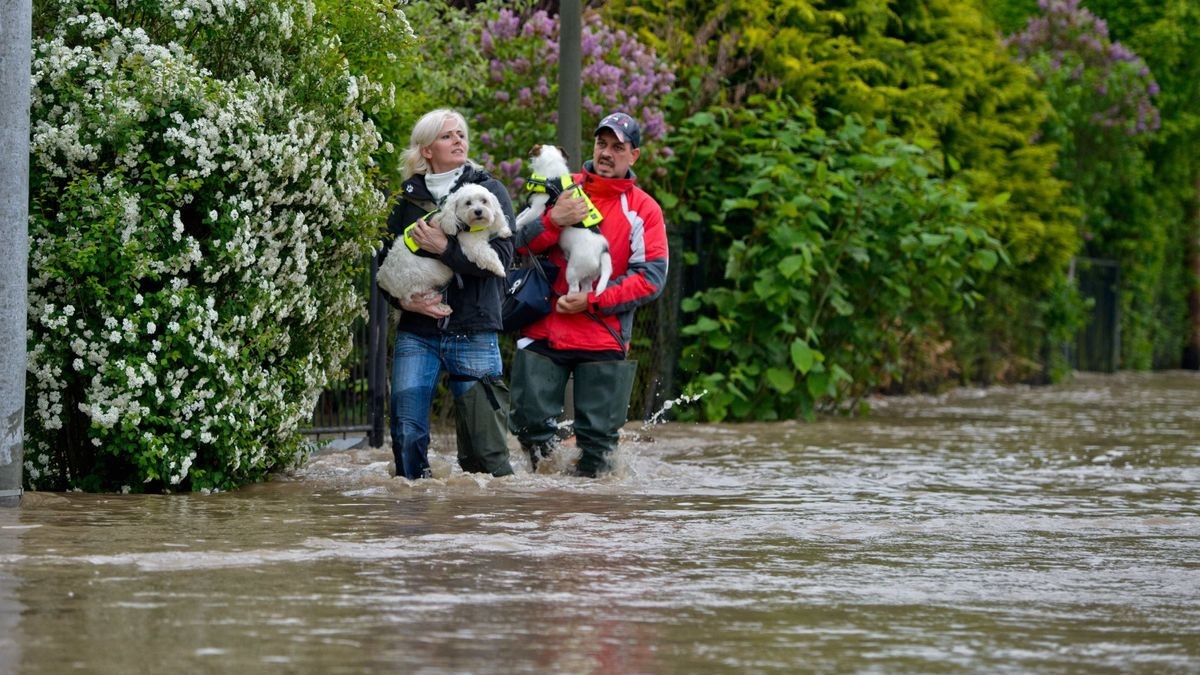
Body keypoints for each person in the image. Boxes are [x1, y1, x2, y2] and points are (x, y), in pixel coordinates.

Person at [509, 111, 669, 477]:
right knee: (531, 433)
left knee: (598, 453)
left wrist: (593, 300)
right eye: (602, 143)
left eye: (618, 146)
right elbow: (517, 245)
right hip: (543, 329)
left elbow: (651, 278)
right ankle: (545, 519)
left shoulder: (645, 209)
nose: (607, 153)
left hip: (603, 335)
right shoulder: (559, 187)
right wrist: (554, 220)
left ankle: (589, 524)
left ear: (634, 155)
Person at [380, 109, 515, 479]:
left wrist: (445, 248)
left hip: (473, 325)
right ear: (426, 149)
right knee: (406, 434)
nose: (459, 140)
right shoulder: (404, 200)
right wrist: (401, 301)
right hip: (417, 329)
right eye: (447, 136)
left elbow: (503, 258)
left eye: (461, 134)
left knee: (486, 451)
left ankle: (483, 533)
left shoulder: (488, 192)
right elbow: (384, 265)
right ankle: (413, 519)